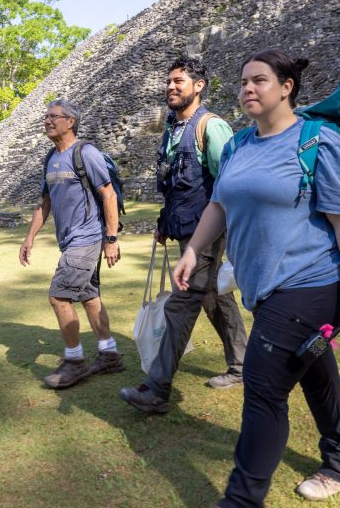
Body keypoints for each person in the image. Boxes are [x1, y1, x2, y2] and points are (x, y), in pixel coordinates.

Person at [173, 50, 340, 505]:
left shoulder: (318, 142)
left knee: (264, 389)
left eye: (260, 80)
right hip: (265, 288)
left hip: (314, 284)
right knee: (315, 371)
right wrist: (193, 249)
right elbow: (219, 205)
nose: (248, 88)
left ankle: (241, 499)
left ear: (286, 87)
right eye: (244, 81)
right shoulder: (238, 145)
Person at [119, 57, 248, 414]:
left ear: (199, 85)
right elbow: (174, 185)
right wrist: (165, 221)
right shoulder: (173, 129)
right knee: (214, 299)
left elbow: (230, 184)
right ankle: (243, 365)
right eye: (168, 82)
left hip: (206, 232)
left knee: (182, 302)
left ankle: (157, 389)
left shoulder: (211, 126)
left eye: (179, 81)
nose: (171, 87)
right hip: (183, 231)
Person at [19, 99, 125, 389]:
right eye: (46, 116)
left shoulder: (86, 153)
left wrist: (111, 238)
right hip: (69, 241)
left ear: (71, 121)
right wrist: (29, 238)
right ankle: (109, 354)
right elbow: (45, 203)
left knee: (59, 297)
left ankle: (75, 361)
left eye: (54, 116)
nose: (48, 121)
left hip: (87, 238)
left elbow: (109, 195)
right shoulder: (51, 158)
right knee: (89, 298)